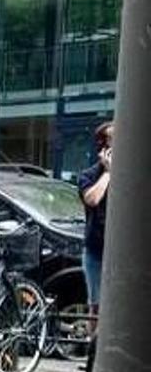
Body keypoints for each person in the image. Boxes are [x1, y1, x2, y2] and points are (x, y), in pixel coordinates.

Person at [78, 121, 113, 324]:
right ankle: (94, 351)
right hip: (97, 250)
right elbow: (92, 199)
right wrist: (108, 172)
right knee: (97, 305)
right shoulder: (90, 175)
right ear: (103, 147)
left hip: (124, 251)